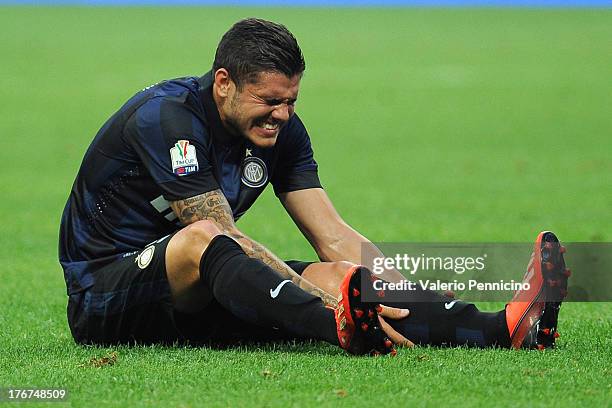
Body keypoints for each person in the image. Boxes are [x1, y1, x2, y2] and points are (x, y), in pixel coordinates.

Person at [59, 18, 568, 355]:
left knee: (342, 274)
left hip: (198, 295)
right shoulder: (167, 120)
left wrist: (403, 289)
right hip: (105, 296)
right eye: (268, 100)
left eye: (292, 100)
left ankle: (506, 328)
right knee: (205, 241)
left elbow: (335, 236)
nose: (282, 114)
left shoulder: (281, 132)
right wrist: (328, 306)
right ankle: (342, 327)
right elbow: (222, 240)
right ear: (223, 84)